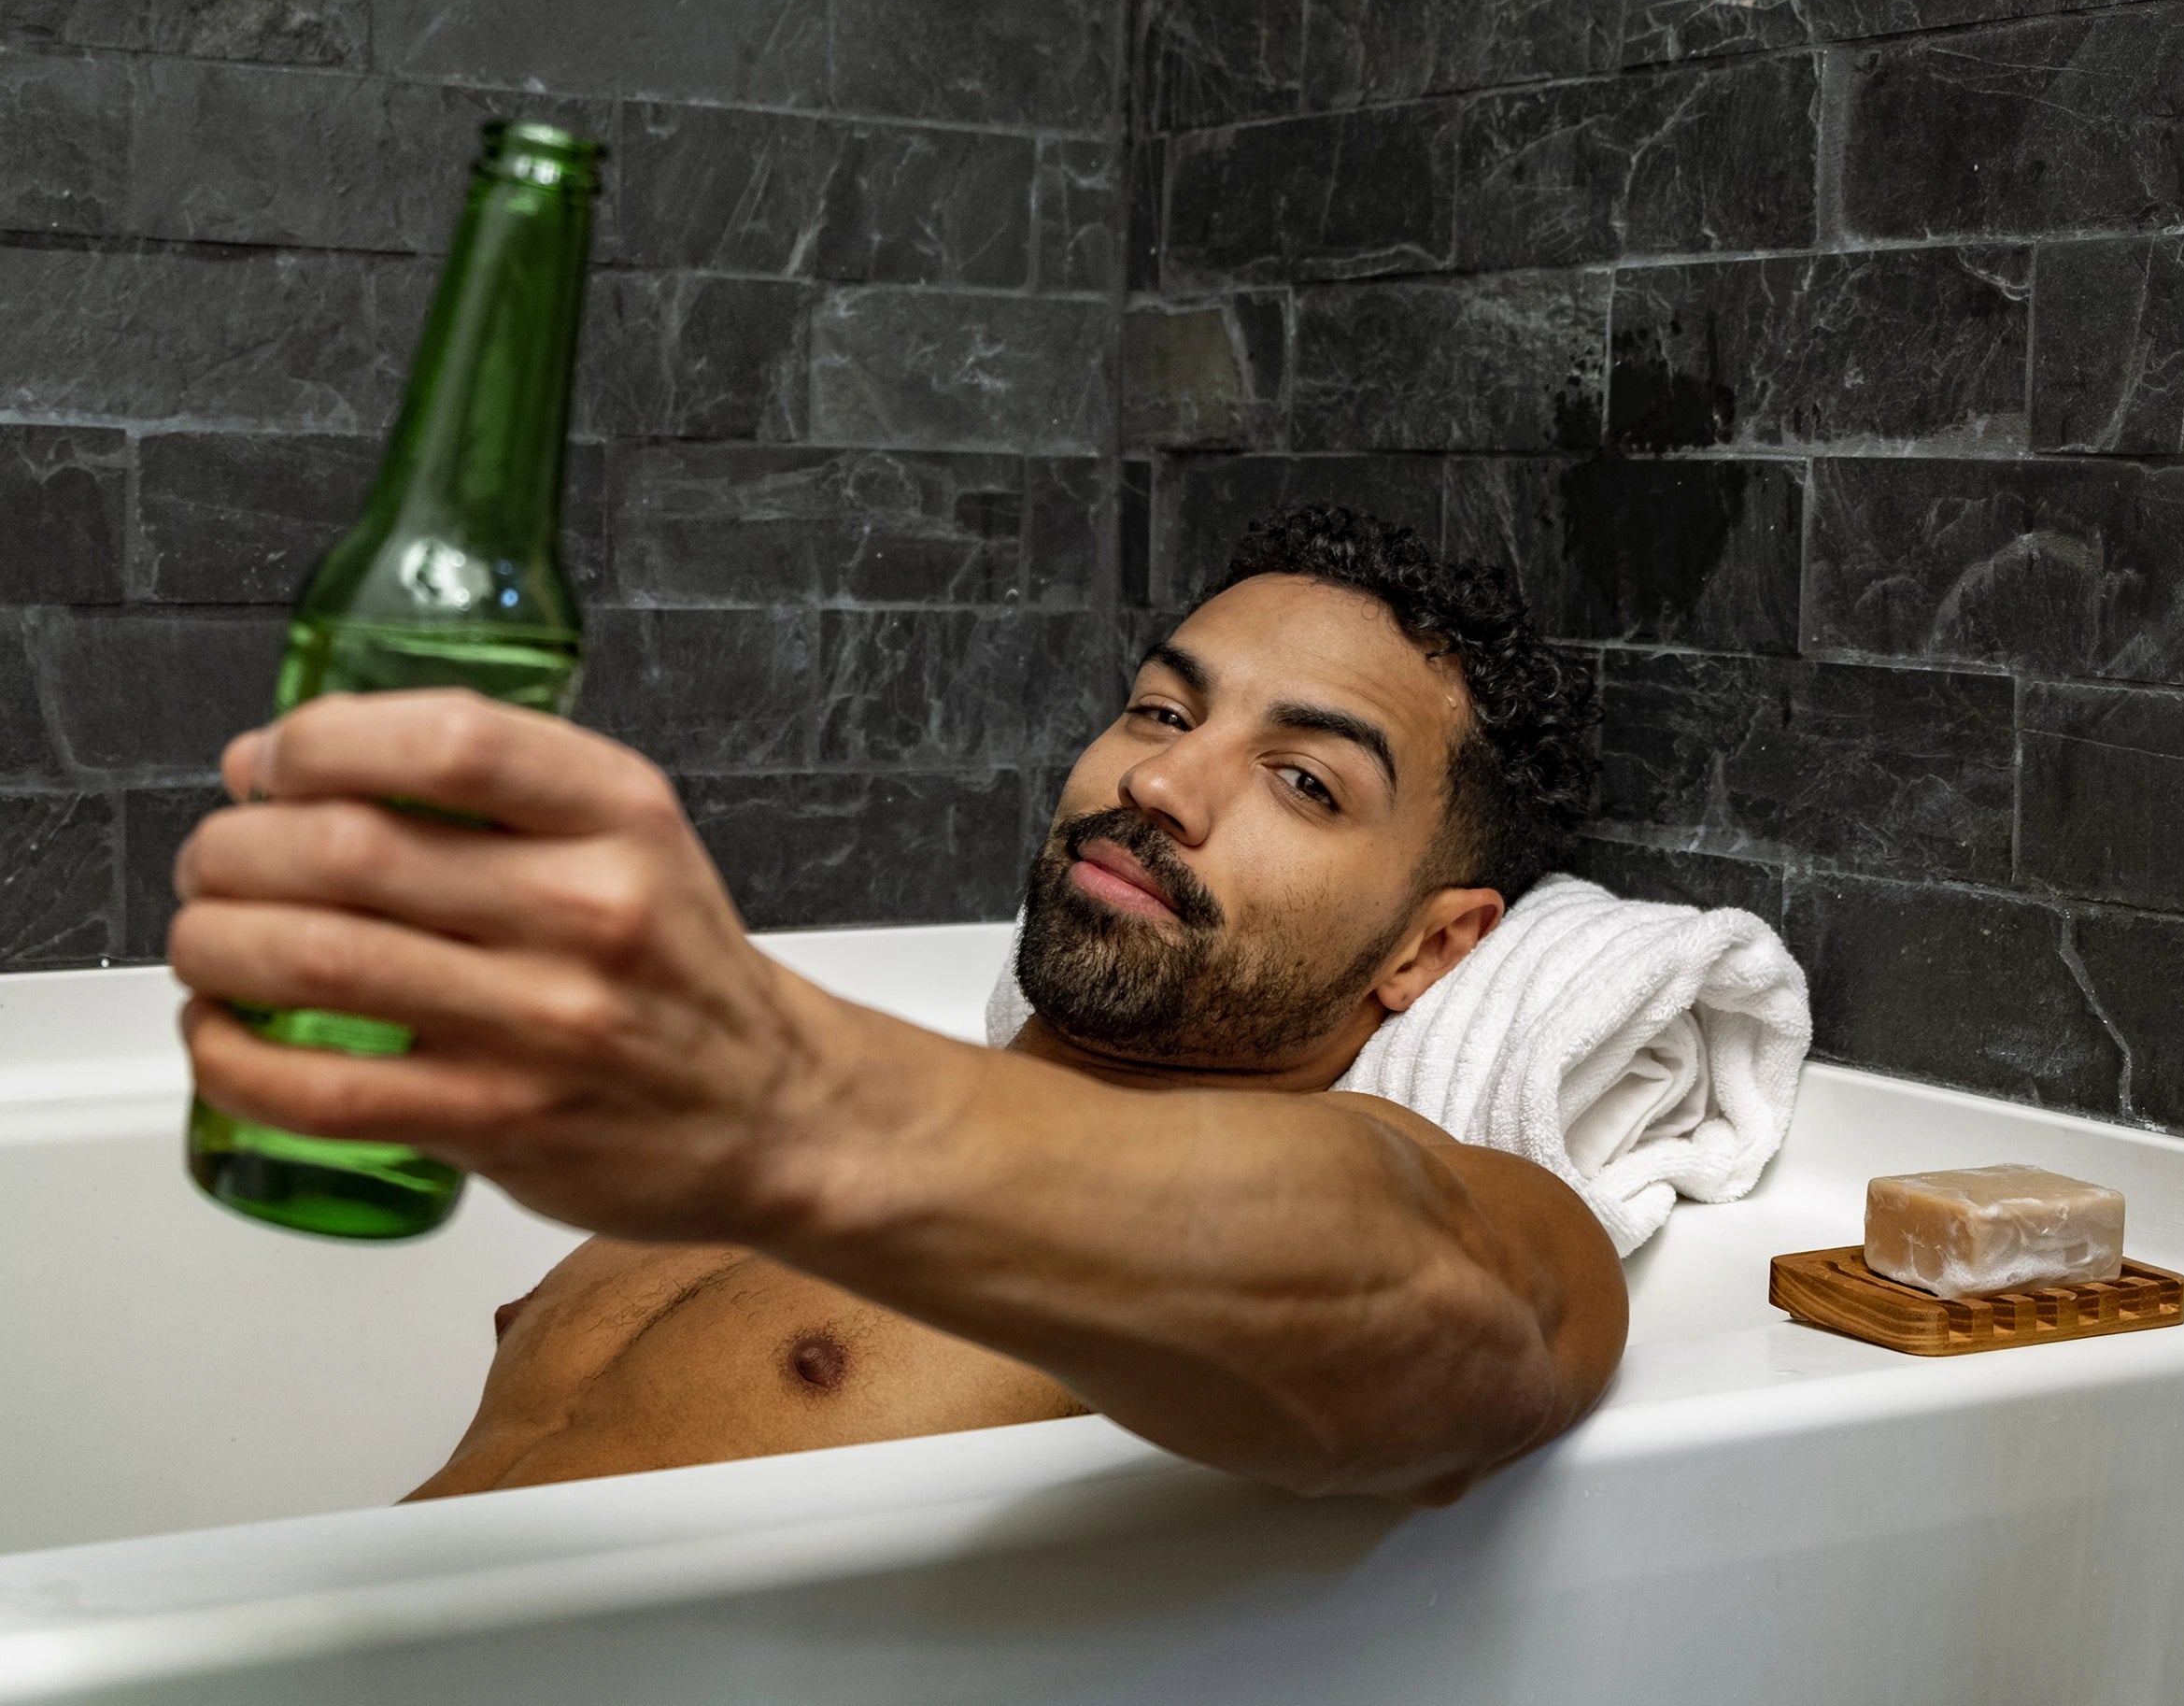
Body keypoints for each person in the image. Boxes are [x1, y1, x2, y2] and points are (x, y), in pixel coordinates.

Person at [172, 506, 1628, 1507]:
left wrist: (795, 1103)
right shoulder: (849, 1119)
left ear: (1430, 953)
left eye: (1305, 782)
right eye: (1162, 711)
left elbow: (1447, 1313)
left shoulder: (1456, 1202)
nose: (1161, 787)